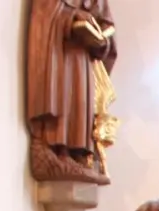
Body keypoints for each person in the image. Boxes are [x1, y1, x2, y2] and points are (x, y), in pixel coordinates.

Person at [26, 0, 117, 183]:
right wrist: (72, 16)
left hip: (84, 58)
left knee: (80, 102)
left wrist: (102, 36)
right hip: (60, 51)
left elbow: (106, 23)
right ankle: (59, 150)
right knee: (63, 95)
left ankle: (78, 154)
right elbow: (45, 10)